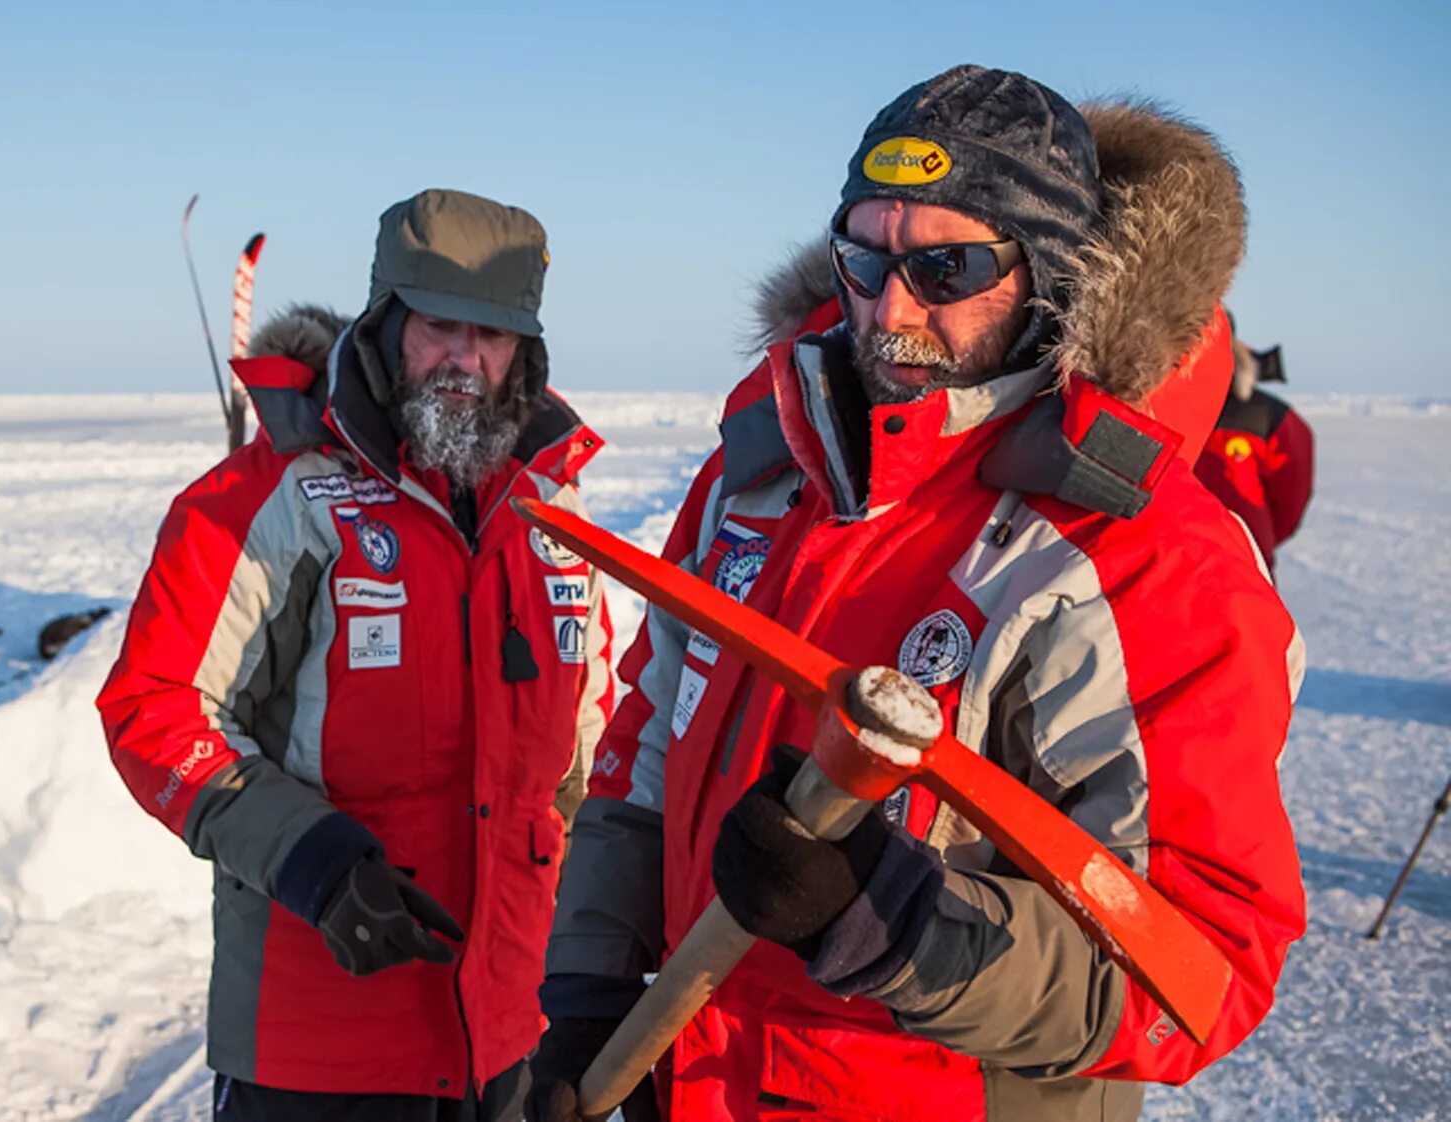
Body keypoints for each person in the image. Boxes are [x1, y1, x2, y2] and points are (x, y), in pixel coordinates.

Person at [528, 67, 1305, 1122]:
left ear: (1049, 277)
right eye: (864, 257)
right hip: (694, 1082)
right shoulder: (754, 482)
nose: (890, 308)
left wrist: (894, 923)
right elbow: (647, 752)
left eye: (947, 266)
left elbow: (1204, 972)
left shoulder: (1142, 561)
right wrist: (590, 987)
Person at [97, 188, 614, 1122]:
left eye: (493, 337)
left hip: (512, 1033)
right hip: (319, 1047)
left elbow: (586, 743)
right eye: (440, 327)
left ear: (526, 354)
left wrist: (587, 945)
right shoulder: (271, 498)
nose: (466, 361)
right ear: (385, 328)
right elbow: (155, 706)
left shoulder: (555, 511)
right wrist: (310, 859)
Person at [1195, 312, 1314, 570]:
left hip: (1243, 565)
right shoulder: (1150, 401)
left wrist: (1258, 537)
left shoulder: (1270, 416)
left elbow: (1290, 499)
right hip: (1170, 566)